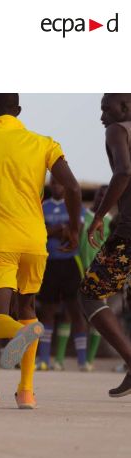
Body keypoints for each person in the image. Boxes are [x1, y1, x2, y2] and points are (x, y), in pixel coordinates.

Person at [0, 93, 82, 410]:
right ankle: (26, 392)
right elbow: (74, 188)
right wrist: (75, 228)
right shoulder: (44, 143)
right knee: (28, 310)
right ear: (19, 111)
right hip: (35, 244)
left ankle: (18, 335)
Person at [80, 93, 131, 398]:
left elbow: (123, 171)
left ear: (124, 108)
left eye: (106, 109)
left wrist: (100, 216)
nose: (102, 117)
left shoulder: (118, 130)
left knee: (89, 294)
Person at [36, 176, 88, 371]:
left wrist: (55, 230)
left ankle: (83, 362)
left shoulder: (75, 205)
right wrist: (61, 229)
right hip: (49, 262)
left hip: (70, 263)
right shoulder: (43, 206)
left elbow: (77, 229)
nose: (57, 186)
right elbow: (40, 231)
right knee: (48, 310)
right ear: (51, 185)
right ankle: (44, 360)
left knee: (75, 311)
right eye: (54, 183)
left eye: (60, 183)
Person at [77, 185, 111, 369]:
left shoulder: (110, 221)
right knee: (78, 314)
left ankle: (89, 360)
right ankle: (80, 359)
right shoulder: (83, 217)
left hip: (100, 275)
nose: (101, 198)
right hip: (79, 270)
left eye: (106, 195)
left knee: (98, 314)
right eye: (100, 194)